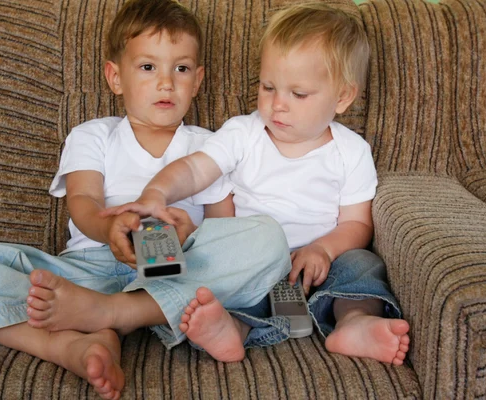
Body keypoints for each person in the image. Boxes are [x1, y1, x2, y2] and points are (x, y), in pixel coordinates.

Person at [0, 1, 291, 399]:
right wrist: (109, 228)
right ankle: (69, 345)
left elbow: (227, 228)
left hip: (175, 271)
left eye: (182, 68)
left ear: (199, 79)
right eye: (148, 67)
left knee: (268, 240)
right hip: (85, 272)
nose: (167, 83)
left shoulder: (211, 146)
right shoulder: (92, 135)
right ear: (115, 76)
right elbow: (83, 202)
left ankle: (116, 315)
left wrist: (192, 234)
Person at [106, 3, 411, 366]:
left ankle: (355, 321)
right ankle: (233, 330)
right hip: (255, 269)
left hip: (319, 269)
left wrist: (324, 251)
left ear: (342, 97)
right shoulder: (243, 133)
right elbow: (194, 170)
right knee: (214, 294)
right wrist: (157, 193)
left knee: (362, 264)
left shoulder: (352, 152)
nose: (277, 105)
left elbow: (358, 224)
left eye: (298, 94)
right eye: (268, 87)